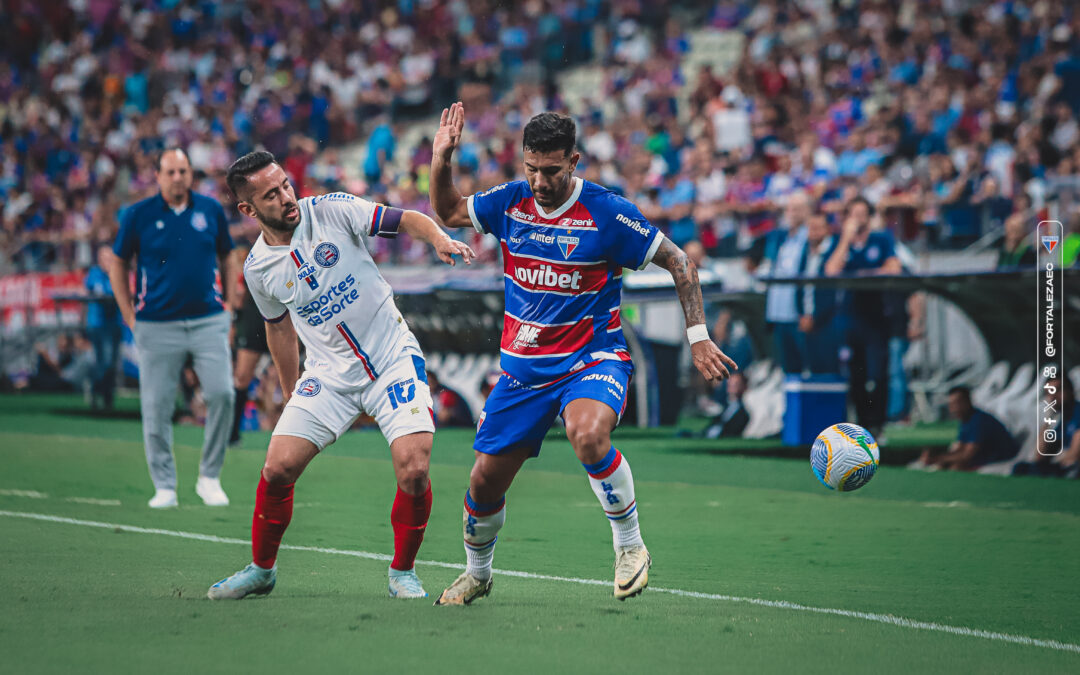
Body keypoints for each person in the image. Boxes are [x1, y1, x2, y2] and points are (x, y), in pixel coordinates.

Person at [428, 105, 737, 604]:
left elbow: (680, 262)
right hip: (523, 372)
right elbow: (446, 212)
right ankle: (478, 574)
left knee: (588, 434)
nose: (540, 181)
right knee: (484, 483)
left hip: (591, 359)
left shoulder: (608, 212)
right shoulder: (509, 202)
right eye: (531, 169)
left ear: (573, 160)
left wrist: (698, 334)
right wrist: (441, 159)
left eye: (551, 170)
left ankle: (630, 547)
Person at [207, 151, 474, 601]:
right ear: (249, 210)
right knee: (277, 469)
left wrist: (438, 238)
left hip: (391, 358)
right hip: (329, 376)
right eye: (271, 195)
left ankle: (403, 572)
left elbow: (405, 218)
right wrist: (292, 390)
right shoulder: (258, 268)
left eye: (286, 185)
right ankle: (261, 570)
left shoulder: (330, 210)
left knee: (414, 468)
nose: (286, 198)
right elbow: (278, 328)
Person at [109, 148, 237, 509]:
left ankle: (209, 477)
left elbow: (228, 255)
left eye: (183, 171)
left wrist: (228, 303)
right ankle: (164, 484)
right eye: (171, 171)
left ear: (191, 174)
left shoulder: (210, 210)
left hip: (208, 319)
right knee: (157, 405)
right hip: (156, 323)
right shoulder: (138, 215)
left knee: (222, 394)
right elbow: (118, 263)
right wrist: (129, 314)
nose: (178, 177)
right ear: (158, 175)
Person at [825, 197, 901, 436]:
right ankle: (860, 424)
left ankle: (878, 424)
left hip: (876, 318)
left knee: (878, 374)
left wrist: (863, 273)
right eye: (853, 214)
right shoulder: (840, 242)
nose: (858, 218)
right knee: (855, 376)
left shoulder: (881, 239)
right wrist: (846, 238)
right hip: (849, 318)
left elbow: (893, 268)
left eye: (862, 213)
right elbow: (831, 270)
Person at [913, 386, 1018, 471]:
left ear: (967, 402)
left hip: (1001, 460)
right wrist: (938, 457)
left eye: (956, 404)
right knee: (946, 464)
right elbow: (959, 448)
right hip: (985, 457)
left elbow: (967, 455)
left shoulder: (979, 421)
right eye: (950, 405)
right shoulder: (966, 420)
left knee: (956, 467)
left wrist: (936, 459)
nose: (952, 409)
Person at [229, 254, 271, 446]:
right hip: (253, 318)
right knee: (242, 378)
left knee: (289, 379)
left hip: (279, 316)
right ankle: (232, 432)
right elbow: (237, 296)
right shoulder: (251, 255)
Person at [84, 243, 123, 409]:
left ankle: (107, 397)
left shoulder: (118, 273)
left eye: (109, 257)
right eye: (103, 257)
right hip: (97, 325)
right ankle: (94, 389)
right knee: (103, 362)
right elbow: (95, 290)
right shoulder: (94, 274)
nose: (106, 261)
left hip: (114, 325)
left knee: (112, 364)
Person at [702, 372, 750, 439]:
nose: (732, 387)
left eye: (735, 385)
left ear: (744, 386)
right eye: (730, 385)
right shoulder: (725, 406)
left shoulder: (745, 410)